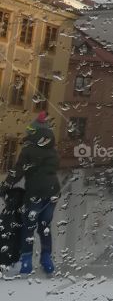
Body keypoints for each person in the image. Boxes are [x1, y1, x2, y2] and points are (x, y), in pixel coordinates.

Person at [11, 113, 61, 276]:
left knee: (29, 226)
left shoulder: (28, 150)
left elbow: (18, 172)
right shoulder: (53, 150)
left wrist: (5, 186)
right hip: (53, 191)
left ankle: (26, 262)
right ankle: (47, 261)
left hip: (35, 192)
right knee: (45, 226)